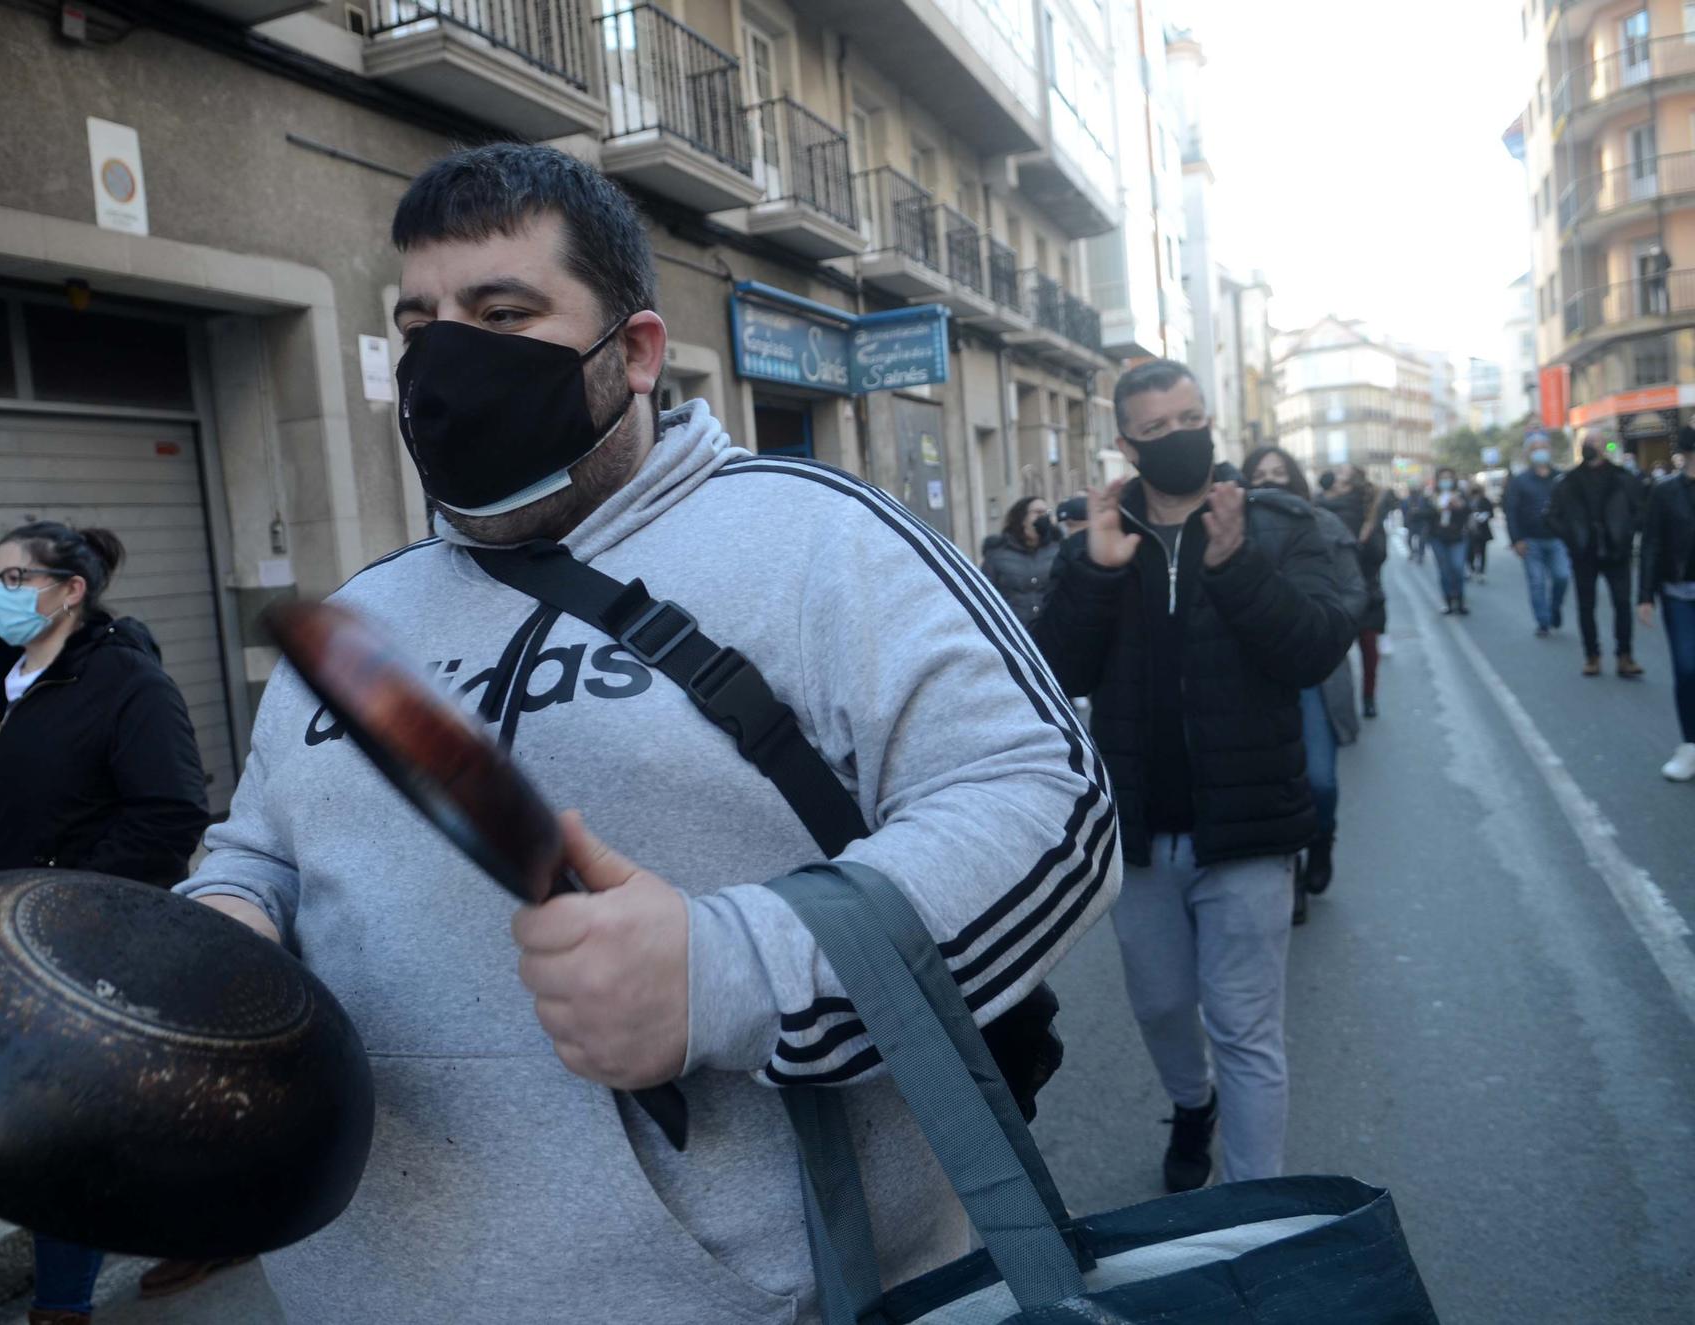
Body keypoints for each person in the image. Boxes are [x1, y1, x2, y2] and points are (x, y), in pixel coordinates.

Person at [173, 144, 1116, 1324]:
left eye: (501, 311)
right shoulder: (361, 616)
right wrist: (224, 926)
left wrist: (730, 967)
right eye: (419, 322)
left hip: (763, 1292)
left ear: (633, 353)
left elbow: (1047, 806)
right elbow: (262, 842)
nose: (444, 358)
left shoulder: (817, 538)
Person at [1033, 360, 1354, 1192]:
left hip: (1247, 832)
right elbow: (1055, 668)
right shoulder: (1100, 537)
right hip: (1139, 835)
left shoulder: (1277, 524)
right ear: (1125, 444)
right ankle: (1190, 1101)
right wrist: (1098, 571)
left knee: (1247, 1027)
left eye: (1192, 418)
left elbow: (1314, 648)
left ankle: (1253, 1211)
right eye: (1159, 428)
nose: (1182, 438)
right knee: (1164, 1007)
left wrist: (1237, 561)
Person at [0, 521, 212, 1325]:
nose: (1, 593)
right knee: (123, 1111)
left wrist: (60, 892)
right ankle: (208, 1223)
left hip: (96, 935)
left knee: (58, 1121)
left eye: (19, 578)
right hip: (4, 934)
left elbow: (171, 813)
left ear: (72, 591)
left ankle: (60, 1305)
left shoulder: (129, 681)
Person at [1244, 448, 1367, 921]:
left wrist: (1318, 630)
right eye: (1260, 475)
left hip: (1315, 671)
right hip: (1256, 674)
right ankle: (1290, 874)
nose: (1269, 482)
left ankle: (1322, 840)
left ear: (1295, 481)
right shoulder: (1231, 529)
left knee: (1319, 780)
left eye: (1278, 474)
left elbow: (1355, 593)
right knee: (1271, 782)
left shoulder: (1325, 526)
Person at [1552, 431, 1647, 678]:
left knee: (1622, 603)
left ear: (1605, 447)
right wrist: (1572, 538)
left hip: (1616, 551)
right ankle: (1592, 656)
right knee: (1586, 606)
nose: (1589, 447)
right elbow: (1552, 516)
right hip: (1584, 553)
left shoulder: (1622, 478)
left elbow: (1641, 511)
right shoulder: (1569, 481)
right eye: (1585, 443)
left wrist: (1625, 533)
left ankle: (1624, 655)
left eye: (1594, 443)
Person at [1639, 426, 1695, 780]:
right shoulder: (1665, 492)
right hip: (1679, 593)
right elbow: (1651, 545)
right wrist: (1645, 595)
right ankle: (1690, 747)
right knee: (1688, 668)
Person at [1321, 464, 1390, 718]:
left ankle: (1366, 698)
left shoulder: (1367, 513)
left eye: (1342, 476)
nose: (1335, 479)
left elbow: (1379, 553)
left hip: (1363, 588)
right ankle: (1353, 702)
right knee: (1342, 655)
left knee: (1367, 649)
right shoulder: (1319, 508)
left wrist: (1367, 539)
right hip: (1340, 589)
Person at [1504, 435, 1571, 637]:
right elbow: (1511, 512)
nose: (1540, 450)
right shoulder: (1519, 481)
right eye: (1535, 448)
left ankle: (1554, 608)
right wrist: (1516, 539)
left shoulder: (1561, 478)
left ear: (1550, 450)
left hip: (1558, 539)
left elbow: (1571, 509)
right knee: (1536, 582)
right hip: (1530, 541)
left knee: (1562, 576)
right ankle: (1543, 622)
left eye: (1543, 446)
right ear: (1528, 453)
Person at [980, 495, 1060, 628]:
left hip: (1051, 631)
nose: (1043, 517)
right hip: (1014, 630)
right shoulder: (997, 554)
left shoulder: (1058, 549)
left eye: (1047, 513)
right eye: (1038, 512)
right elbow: (985, 595)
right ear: (1022, 518)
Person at [1429, 468, 1473, 615]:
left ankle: (1460, 601)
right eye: (1443, 478)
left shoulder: (1460, 495)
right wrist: (1435, 508)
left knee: (1457, 568)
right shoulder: (1431, 496)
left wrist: (1459, 506)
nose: (1446, 481)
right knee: (1444, 571)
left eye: (1448, 478)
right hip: (1438, 538)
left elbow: (1469, 511)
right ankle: (1448, 601)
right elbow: (1421, 514)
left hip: (1457, 538)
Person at [1466, 480, 1496, 581]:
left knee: (1482, 552)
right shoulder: (1467, 500)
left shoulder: (1485, 500)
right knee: (1470, 551)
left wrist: (1484, 515)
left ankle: (1481, 571)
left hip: (1482, 530)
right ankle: (1471, 569)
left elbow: (1491, 513)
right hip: (1470, 530)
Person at [1403, 484, 1434, 565]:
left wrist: (1419, 512)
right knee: (1409, 540)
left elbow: (1429, 511)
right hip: (1412, 523)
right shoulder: (1407, 500)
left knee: (1422, 540)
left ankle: (1421, 554)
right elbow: (1404, 511)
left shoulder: (1424, 500)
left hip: (1422, 522)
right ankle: (1412, 552)